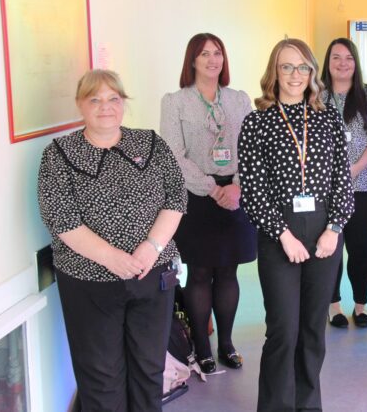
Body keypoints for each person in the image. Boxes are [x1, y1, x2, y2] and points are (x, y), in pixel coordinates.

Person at [37, 70, 186, 411]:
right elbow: (61, 218)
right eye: (95, 99)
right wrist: (112, 258)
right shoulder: (58, 154)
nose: (105, 107)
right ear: (80, 105)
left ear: (123, 103)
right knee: (101, 376)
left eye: (113, 99)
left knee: (149, 369)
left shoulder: (150, 144)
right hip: (90, 283)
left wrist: (151, 247)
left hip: (151, 275)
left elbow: (176, 198)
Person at [239, 38, 354, 411]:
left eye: (302, 67)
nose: (294, 75)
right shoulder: (257, 122)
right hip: (279, 233)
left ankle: (307, 404)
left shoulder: (327, 117)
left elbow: (343, 180)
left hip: (324, 232)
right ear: (274, 71)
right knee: (283, 330)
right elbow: (253, 190)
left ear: (312, 73)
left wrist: (334, 229)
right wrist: (283, 235)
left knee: (312, 329)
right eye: (286, 66)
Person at [160, 33, 258, 374]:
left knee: (229, 271)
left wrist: (237, 186)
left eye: (217, 53)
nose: (212, 59)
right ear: (192, 60)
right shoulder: (175, 102)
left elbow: (251, 146)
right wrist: (212, 188)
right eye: (204, 54)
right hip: (197, 195)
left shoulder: (239, 99)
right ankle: (202, 346)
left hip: (236, 193)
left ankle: (226, 343)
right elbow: (174, 154)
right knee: (200, 272)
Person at [321, 38, 367, 328]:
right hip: (324, 184)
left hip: (365, 182)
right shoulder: (316, 95)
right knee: (330, 245)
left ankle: (360, 306)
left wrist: (355, 169)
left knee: (360, 246)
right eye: (336, 57)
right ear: (327, 62)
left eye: (348, 58)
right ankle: (334, 306)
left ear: (356, 62)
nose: (342, 63)